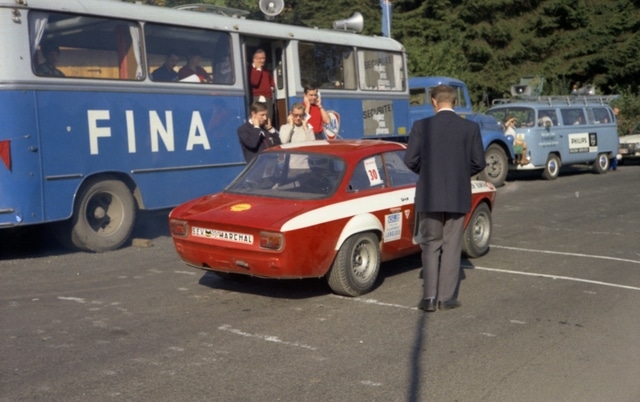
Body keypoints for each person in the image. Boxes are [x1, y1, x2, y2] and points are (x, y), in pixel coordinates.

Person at [403, 84, 485, 313]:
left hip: (429, 192)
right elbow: (479, 162)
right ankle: (446, 298)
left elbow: (409, 160)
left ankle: (428, 297)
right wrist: (459, 173)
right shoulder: (470, 128)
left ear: (433, 101)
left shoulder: (421, 126)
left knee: (430, 245)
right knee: (452, 244)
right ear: (455, 102)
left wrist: (427, 172)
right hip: (458, 192)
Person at [249, 49, 275, 120]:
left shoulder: (265, 70)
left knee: (268, 118)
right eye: (260, 58)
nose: (262, 60)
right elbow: (254, 82)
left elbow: (271, 80)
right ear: (254, 59)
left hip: (267, 98)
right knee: (257, 119)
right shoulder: (250, 69)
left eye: (264, 58)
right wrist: (258, 69)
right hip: (256, 97)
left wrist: (272, 88)